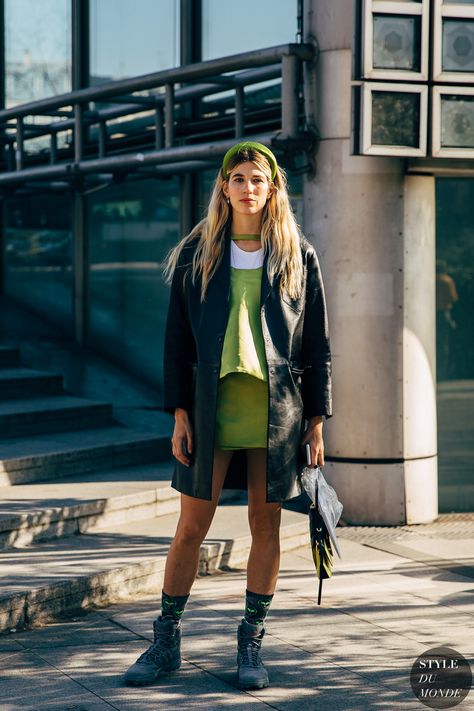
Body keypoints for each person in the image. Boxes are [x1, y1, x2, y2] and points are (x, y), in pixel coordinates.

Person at [124, 141, 332, 689]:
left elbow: (318, 348)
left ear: (272, 189)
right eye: (237, 178)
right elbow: (175, 343)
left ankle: (250, 646)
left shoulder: (297, 255)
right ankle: (164, 642)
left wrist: (316, 423)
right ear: (224, 187)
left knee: (265, 528)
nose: (247, 188)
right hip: (211, 409)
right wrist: (179, 413)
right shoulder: (199, 253)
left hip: (277, 413)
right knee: (190, 527)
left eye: (257, 180)